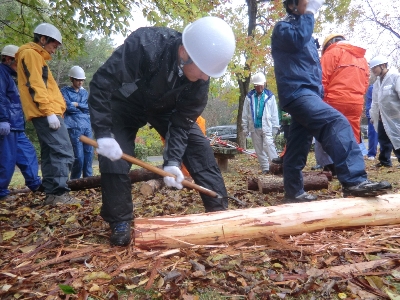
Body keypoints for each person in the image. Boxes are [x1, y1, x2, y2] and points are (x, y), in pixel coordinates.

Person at [88, 16, 236, 246]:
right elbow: (101, 84)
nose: (205, 77)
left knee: (199, 148)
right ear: (185, 52)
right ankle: (119, 220)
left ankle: (219, 212)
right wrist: (104, 132)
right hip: (126, 104)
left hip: (166, 108)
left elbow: (183, 121)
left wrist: (173, 161)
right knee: (114, 159)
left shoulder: (201, 76)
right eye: (202, 71)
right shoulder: (145, 45)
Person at [271, 0, 390, 203]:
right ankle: (354, 181)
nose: (310, 4)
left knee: (298, 145)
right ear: (292, 6)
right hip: (298, 93)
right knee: (336, 122)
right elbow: (299, 38)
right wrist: (309, 13)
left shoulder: (304, 34)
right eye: (304, 2)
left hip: (307, 94)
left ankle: (293, 193)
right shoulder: (284, 29)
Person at [15, 23, 79, 205]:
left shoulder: (36, 56)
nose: (54, 50)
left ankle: (52, 194)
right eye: (53, 45)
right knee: (64, 152)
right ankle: (59, 194)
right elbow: (35, 85)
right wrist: (49, 112)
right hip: (45, 112)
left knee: (51, 153)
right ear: (43, 39)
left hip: (45, 112)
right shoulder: (31, 54)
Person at [313, 33, 370, 176]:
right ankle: (354, 168)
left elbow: (322, 80)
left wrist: (318, 100)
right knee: (352, 136)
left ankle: (329, 166)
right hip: (355, 103)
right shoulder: (361, 58)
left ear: (328, 44)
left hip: (334, 100)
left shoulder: (331, 53)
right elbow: (365, 83)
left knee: (325, 131)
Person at [0, 45, 42, 201]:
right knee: (6, 160)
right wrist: (2, 120)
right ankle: (0, 192)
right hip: (7, 125)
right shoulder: (1, 73)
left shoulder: (10, 76)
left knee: (28, 153)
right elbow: (0, 97)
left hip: (16, 125)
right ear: (8, 59)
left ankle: (36, 184)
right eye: (19, 62)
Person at [242, 72, 279, 174]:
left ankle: (276, 166)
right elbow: (245, 113)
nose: (259, 87)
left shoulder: (270, 96)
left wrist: (275, 127)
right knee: (259, 149)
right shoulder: (249, 97)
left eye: (261, 85)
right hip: (254, 127)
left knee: (269, 145)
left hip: (266, 126)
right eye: (257, 86)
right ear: (254, 85)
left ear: (264, 84)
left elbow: (274, 113)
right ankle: (265, 169)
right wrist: (245, 127)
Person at [61, 66, 93, 179]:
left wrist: (78, 104)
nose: (80, 82)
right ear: (71, 79)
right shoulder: (64, 91)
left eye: (82, 80)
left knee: (89, 153)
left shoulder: (85, 93)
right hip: (73, 126)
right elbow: (67, 107)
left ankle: (89, 180)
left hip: (86, 125)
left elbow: (89, 107)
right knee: (78, 156)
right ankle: (75, 181)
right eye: (78, 80)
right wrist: (78, 107)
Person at [369, 55, 400, 168]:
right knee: (383, 139)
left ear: (383, 66)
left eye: (374, 68)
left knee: (397, 138)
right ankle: (385, 161)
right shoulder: (377, 82)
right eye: (372, 69)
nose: (373, 71)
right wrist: (373, 116)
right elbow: (375, 101)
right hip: (382, 117)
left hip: (396, 116)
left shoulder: (395, 77)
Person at [365, 84, 378, 160]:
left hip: (383, 114)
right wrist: (370, 115)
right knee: (373, 134)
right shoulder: (373, 88)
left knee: (385, 135)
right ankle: (371, 154)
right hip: (372, 114)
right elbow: (370, 103)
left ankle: (385, 153)